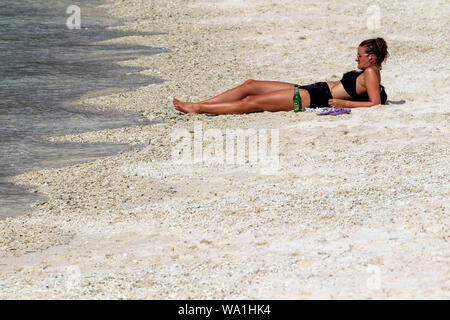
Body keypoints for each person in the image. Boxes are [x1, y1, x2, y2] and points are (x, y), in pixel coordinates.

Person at [173, 38, 389, 114]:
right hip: (315, 88)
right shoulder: (367, 70)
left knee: (252, 102)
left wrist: (344, 103)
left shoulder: (371, 74)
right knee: (250, 84)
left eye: (359, 56)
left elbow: (375, 103)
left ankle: (199, 109)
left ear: (371, 58)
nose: (355, 59)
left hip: (314, 98)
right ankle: (200, 103)